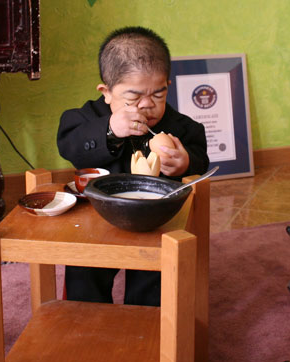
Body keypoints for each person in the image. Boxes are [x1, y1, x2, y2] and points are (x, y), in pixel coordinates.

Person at [57, 26, 209, 306]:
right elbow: (70, 145)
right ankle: (86, 323)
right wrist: (110, 129)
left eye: (159, 95)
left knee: (154, 282)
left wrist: (185, 161)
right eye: (133, 97)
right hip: (98, 219)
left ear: (167, 87)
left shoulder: (179, 127)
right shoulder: (88, 117)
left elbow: (200, 153)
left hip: (156, 221)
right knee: (84, 272)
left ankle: (147, 329)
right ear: (107, 92)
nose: (148, 106)